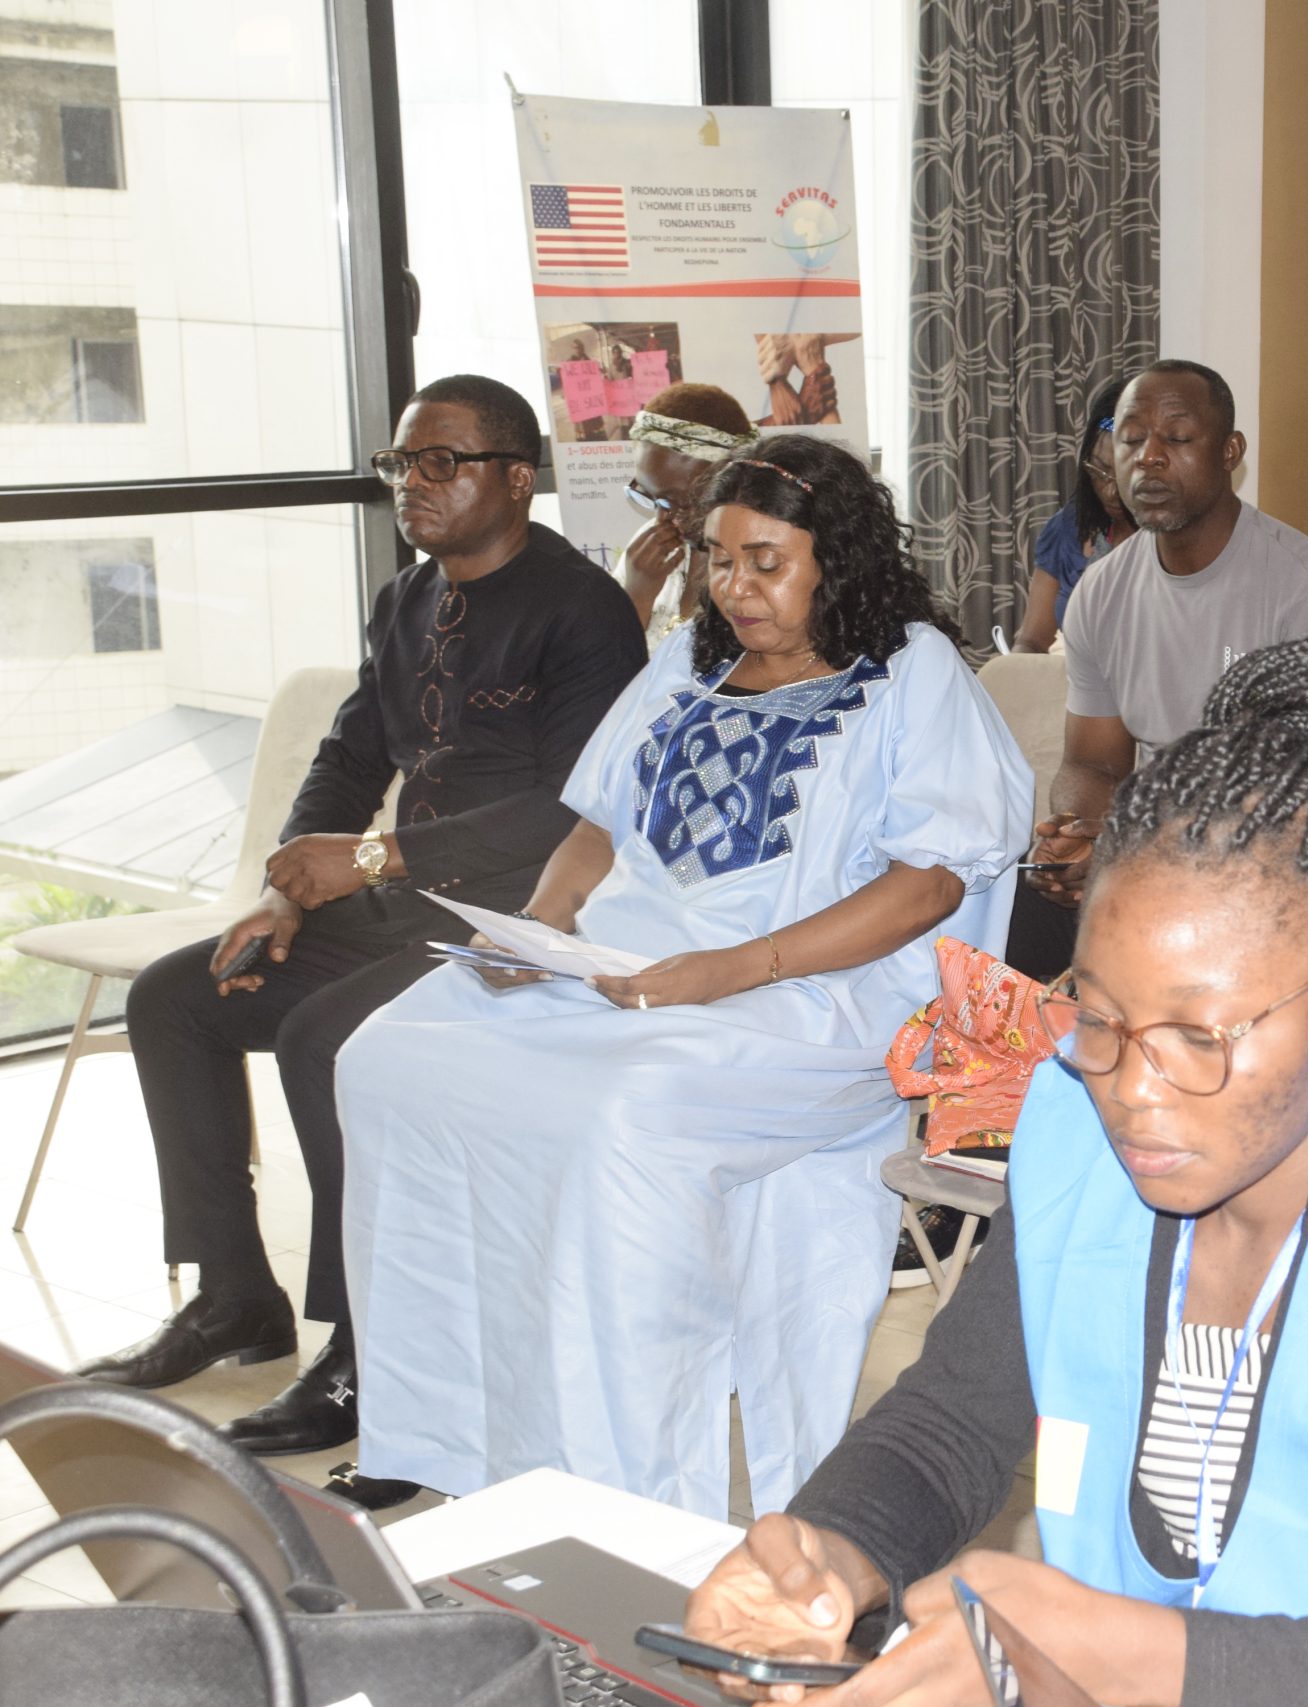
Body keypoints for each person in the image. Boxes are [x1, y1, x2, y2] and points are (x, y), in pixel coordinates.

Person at [680, 638, 1308, 1705]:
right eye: (1100, 1017)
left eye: (1199, 1035)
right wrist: (826, 1557)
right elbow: (951, 1421)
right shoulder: (1072, 1119)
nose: (1132, 1089)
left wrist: (1123, 1653)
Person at [336, 434, 1034, 1518]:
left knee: (619, 1114)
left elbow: (930, 886)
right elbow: (596, 827)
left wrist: (733, 969)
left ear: (837, 561)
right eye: (719, 557)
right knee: (391, 1058)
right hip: (631, 969)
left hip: (820, 996)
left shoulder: (911, 673)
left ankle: (631, 1490)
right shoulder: (687, 661)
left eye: (767, 561)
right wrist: (538, 930)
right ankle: (450, 1429)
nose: (734, 585)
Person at [73, 377, 649, 1472]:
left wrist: (375, 858)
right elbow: (347, 759)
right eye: (400, 463)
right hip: (394, 907)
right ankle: (235, 1295)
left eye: (441, 462)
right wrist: (287, 890)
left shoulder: (582, 611)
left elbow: (576, 808)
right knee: (176, 997)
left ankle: (368, 1345)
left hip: (515, 928)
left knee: (323, 1037)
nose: (410, 484)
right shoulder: (406, 601)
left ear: (514, 479)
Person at [1008, 359, 1308, 981]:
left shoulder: (1306, 592)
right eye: (1131, 439)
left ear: (1230, 451)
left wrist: (1140, 857)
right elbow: (1092, 765)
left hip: (1274, 873)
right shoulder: (1101, 590)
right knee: (1017, 912)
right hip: (1154, 857)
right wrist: (1078, 837)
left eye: (1177, 438)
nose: (1149, 458)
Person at [619, 383, 757, 647]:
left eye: (679, 501)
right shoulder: (649, 549)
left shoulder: (760, 563)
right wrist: (637, 595)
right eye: (649, 496)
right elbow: (607, 659)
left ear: (733, 484)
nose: (662, 518)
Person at [1013, 377, 1138, 654]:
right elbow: (1032, 639)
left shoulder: (1173, 540)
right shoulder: (1070, 526)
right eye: (1099, 470)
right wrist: (1018, 665)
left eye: (1123, 477)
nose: (1109, 491)